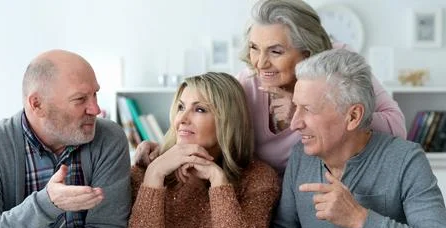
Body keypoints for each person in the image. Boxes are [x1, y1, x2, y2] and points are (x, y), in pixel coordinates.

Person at [134, 0, 406, 174]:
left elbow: (396, 127)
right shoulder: (247, 84)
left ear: (307, 53)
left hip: (339, 184)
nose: (261, 63)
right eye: (254, 48)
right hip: (270, 201)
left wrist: (312, 113)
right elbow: (206, 129)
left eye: (276, 51)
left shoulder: (338, 65)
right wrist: (163, 149)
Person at [249, 48, 446, 228]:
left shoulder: (406, 159)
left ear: (353, 116)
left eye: (308, 110)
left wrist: (360, 218)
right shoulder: (300, 157)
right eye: (296, 107)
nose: (294, 124)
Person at [0, 50, 131, 228]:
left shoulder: (109, 139)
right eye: (80, 99)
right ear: (37, 104)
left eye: (95, 94)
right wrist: (46, 204)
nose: (95, 109)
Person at [126, 72, 280, 228]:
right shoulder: (149, 168)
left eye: (199, 109)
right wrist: (154, 175)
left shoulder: (258, 178)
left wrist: (218, 180)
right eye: (181, 107)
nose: (182, 118)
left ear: (228, 119)